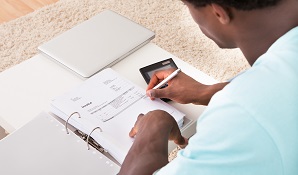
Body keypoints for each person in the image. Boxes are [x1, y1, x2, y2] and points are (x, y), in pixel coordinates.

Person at [119, 0, 298, 174]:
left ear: (219, 13)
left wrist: (153, 127)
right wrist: (204, 92)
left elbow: (255, 107)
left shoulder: (240, 117)